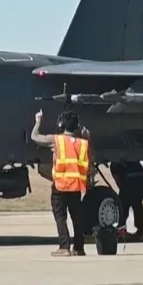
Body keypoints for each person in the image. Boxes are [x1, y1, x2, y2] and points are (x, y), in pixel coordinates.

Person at [32, 109, 91, 256]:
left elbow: (35, 137)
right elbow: (90, 160)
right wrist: (87, 137)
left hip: (61, 185)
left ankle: (64, 247)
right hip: (76, 186)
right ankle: (79, 248)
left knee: (60, 216)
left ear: (61, 124)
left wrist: (38, 121)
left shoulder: (56, 140)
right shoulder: (83, 143)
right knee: (77, 217)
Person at [109, 160, 143, 238]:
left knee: (123, 206)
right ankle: (141, 228)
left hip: (131, 180)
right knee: (137, 204)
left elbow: (118, 181)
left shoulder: (114, 165)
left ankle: (121, 231)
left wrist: (122, 193)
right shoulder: (130, 158)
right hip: (142, 178)